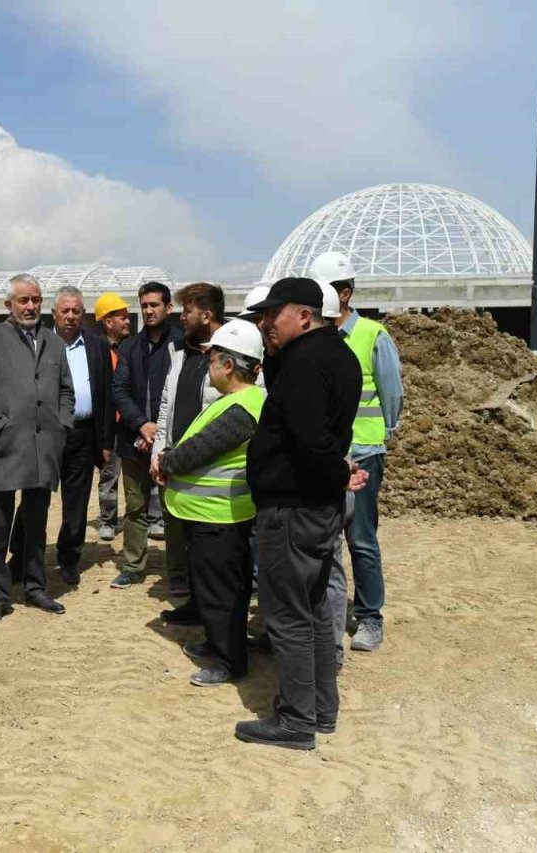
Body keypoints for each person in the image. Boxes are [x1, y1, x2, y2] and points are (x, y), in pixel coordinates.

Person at [235, 277, 362, 751]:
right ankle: (320, 710)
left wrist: (332, 474)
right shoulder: (336, 354)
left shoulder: (306, 364)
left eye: (273, 314)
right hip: (314, 506)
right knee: (309, 612)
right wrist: (336, 476)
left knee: (288, 617)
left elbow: (311, 442)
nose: (264, 322)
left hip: (293, 509)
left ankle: (295, 721)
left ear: (304, 316)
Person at [155, 319, 265, 686]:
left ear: (230, 365)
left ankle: (229, 661)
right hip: (208, 515)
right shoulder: (234, 401)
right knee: (218, 588)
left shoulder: (244, 406)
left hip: (219, 517)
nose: (209, 366)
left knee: (223, 593)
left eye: (214, 359)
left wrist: (167, 462)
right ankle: (219, 643)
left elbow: (201, 449)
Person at [0, 274, 75, 624]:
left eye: (36, 300)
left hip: (43, 451)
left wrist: (63, 424)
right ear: (8, 304)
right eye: (23, 300)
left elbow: (66, 391)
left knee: (36, 524)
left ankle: (35, 586)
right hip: (3, 448)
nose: (30, 307)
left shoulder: (53, 343)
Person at [309, 251, 404, 653]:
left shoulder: (372, 336)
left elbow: (391, 394)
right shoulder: (313, 338)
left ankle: (369, 617)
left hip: (362, 452)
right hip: (325, 456)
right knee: (321, 540)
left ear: (345, 293)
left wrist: (377, 436)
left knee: (361, 538)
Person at [9, 286, 113, 587]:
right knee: (34, 495)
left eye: (76, 311)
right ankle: (21, 557)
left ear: (83, 314)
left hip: (83, 434)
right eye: (64, 311)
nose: (70, 316)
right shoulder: (38, 341)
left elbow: (105, 395)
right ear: (53, 313)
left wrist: (106, 442)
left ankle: (68, 558)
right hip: (46, 433)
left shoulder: (96, 346)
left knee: (77, 501)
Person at [142, 283, 224, 612]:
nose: (181, 316)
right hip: (176, 460)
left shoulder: (232, 353)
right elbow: (166, 407)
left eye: (187, 310)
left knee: (210, 545)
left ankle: (212, 608)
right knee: (183, 533)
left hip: (212, 466)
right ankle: (194, 603)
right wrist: (158, 452)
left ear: (206, 314)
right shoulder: (180, 353)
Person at [111, 281, 183, 587]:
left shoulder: (182, 344)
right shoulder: (129, 347)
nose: (149, 311)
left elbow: (186, 392)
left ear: (168, 308)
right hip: (134, 441)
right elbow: (120, 390)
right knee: (135, 505)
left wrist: (161, 432)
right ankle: (133, 565)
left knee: (174, 509)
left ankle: (179, 572)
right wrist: (141, 424)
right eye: (144, 306)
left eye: (154, 305)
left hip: (173, 443)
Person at [93, 291, 131, 542]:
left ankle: (152, 518)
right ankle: (108, 520)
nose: (127, 321)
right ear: (108, 322)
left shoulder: (132, 347)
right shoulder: (96, 350)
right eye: (122, 317)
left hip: (131, 421)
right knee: (109, 474)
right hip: (109, 424)